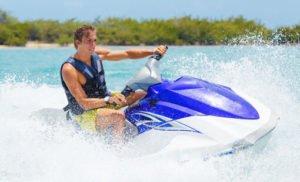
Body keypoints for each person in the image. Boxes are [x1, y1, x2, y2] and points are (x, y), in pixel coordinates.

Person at [60, 25, 167, 143]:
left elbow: (127, 53)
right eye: (89, 41)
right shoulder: (69, 69)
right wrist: (108, 100)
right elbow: (83, 103)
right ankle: (117, 152)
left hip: (104, 100)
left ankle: (138, 127)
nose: (93, 45)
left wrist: (153, 52)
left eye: (94, 40)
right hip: (84, 115)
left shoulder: (96, 55)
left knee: (143, 94)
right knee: (118, 117)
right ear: (78, 43)